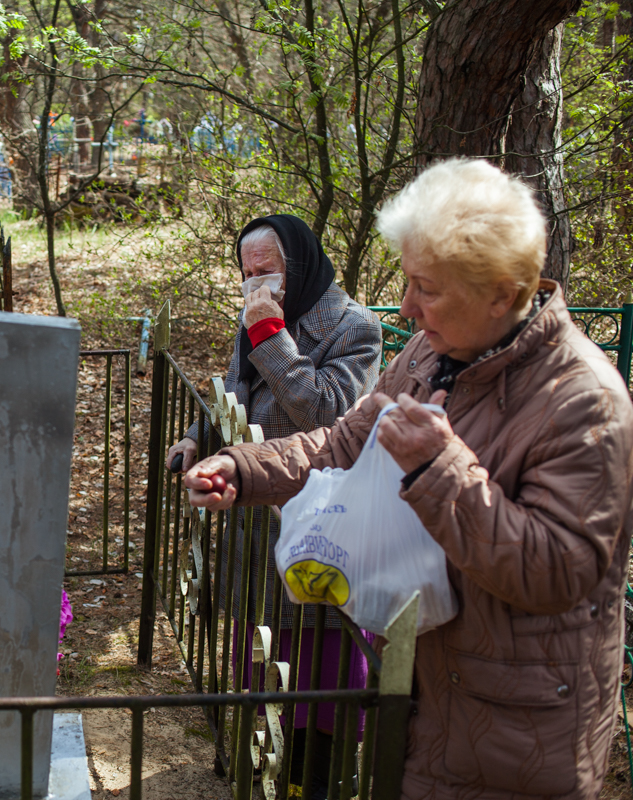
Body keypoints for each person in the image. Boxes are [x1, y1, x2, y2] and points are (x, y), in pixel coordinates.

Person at [185, 158, 633, 799]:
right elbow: (342, 439)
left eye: (426, 287)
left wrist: (438, 468)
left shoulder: (584, 402)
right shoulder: (433, 351)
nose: (406, 306)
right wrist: (243, 465)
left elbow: (556, 571)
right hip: (421, 681)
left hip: (511, 727)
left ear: (503, 293)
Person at [166, 214, 382, 794]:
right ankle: (255, 760)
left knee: (314, 675)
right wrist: (197, 435)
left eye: (268, 270)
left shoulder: (354, 328)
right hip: (255, 519)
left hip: (316, 524)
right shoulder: (259, 317)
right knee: (261, 662)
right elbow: (235, 391)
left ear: (301, 265)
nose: (256, 282)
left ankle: (316, 780)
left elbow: (330, 417)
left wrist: (270, 337)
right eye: (247, 272)